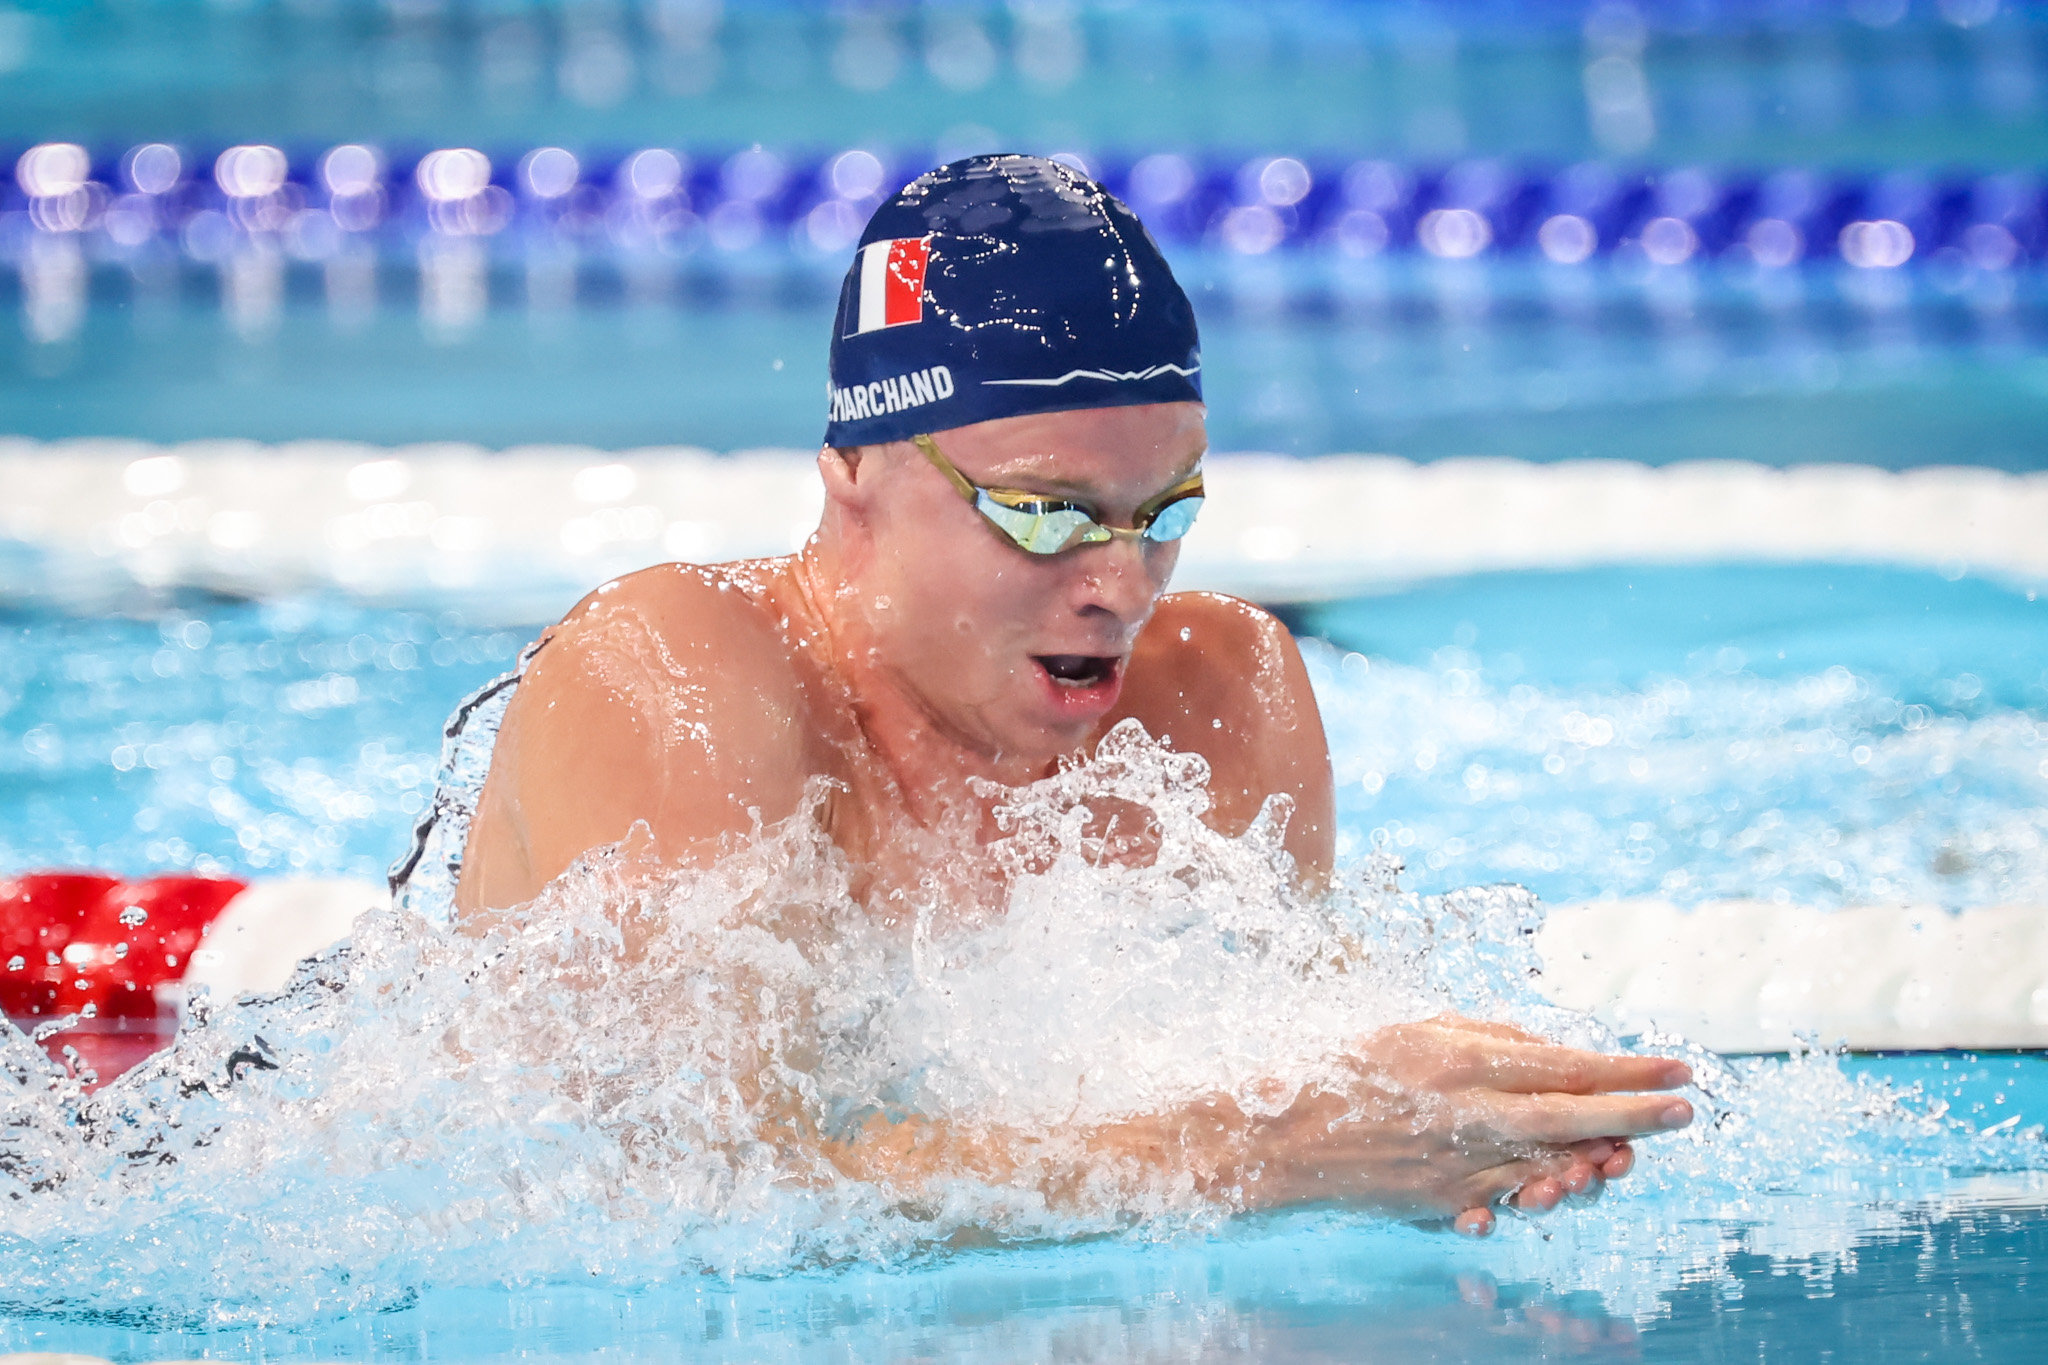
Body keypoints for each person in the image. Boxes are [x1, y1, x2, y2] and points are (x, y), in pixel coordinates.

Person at [452, 154, 1692, 1236]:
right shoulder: (677, 672)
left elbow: (1287, 1097)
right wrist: (1276, 1156)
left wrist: (1448, 1132)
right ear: (854, 473)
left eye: (1167, 515)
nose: (1120, 586)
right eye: (1043, 514)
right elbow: (702, 1196)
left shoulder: (1222, 695)